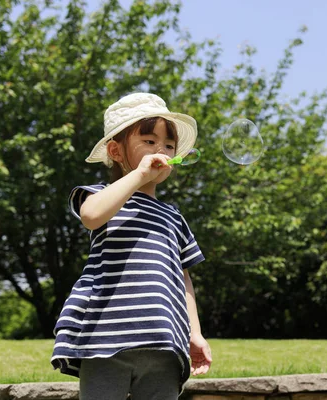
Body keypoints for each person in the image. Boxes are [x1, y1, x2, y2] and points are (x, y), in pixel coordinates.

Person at [50, 92, 212, 400]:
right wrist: (139, 175)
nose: (161, 151)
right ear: (116, 151)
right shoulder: (100, 196)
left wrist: (194, 332)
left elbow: (184, 279)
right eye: (149, 142)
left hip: (163, 341)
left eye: (168, 145)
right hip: (105, 339)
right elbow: (91, 216)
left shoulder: (172, 215)